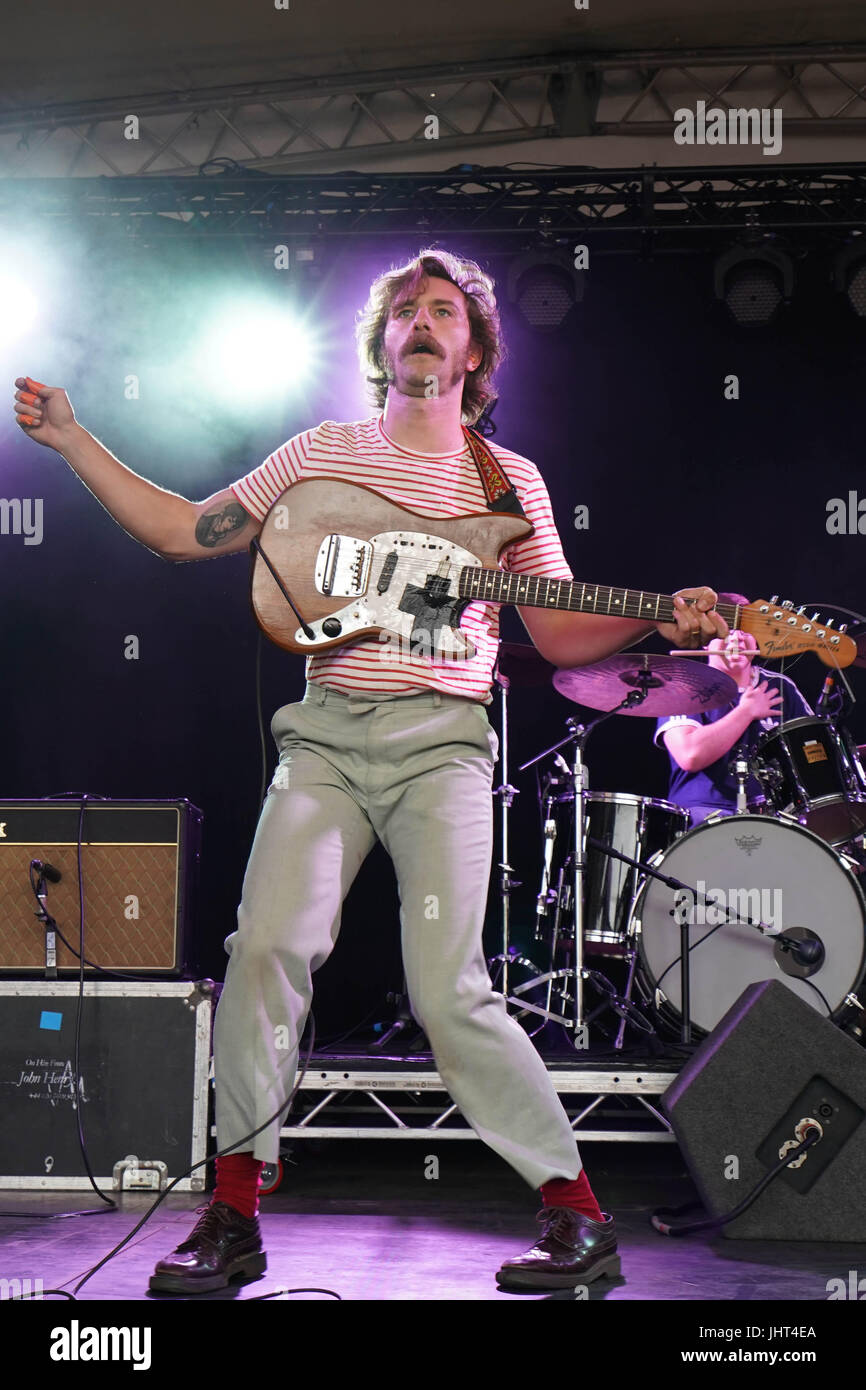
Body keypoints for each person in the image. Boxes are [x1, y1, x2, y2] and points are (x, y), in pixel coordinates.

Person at [13, 249, 726, 1295]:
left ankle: (574, 1216)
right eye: (403, 310)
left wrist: (652, 614)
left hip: (442, 747)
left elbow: (560, 636)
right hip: (328, 742)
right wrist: (73, 439)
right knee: (263, 950)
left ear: (474, 348)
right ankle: (233, 1214)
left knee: (450, 992)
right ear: (382, 345)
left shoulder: (504, 480)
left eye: (443, 310)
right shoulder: (321, 453)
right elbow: (181, 531)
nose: (422, 322)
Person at [654, 595, 812, 825]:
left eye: (744, 630)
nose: (736, 638)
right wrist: (746, 711)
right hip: (702, 813)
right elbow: (689, 755)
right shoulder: (685, 684)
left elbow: (811, 749)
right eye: (726, 630)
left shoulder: (781, 686)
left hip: (775, 814)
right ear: (706, 640)